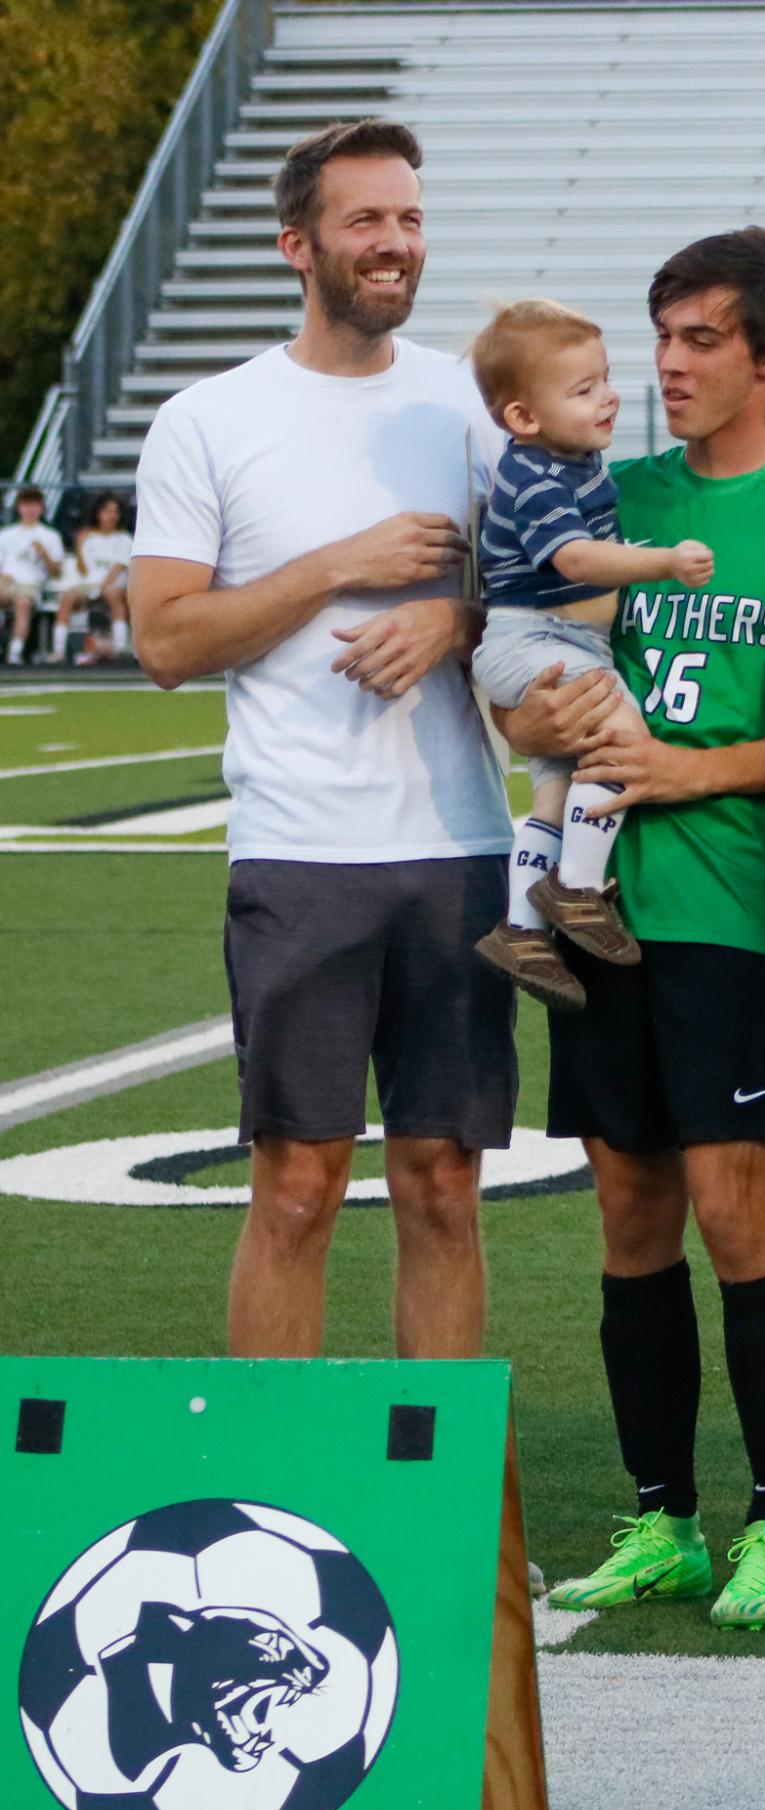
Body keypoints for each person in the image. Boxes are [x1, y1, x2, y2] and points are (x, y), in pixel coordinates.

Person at [499, 229, 765, 1631]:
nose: (669, 363)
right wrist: (531, 716)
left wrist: (688, 767)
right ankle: (662, 1513)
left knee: (737, 1211)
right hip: (593, 903)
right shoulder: (613, 490)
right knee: (626, 1208)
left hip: (732, 905)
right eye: (661, 335)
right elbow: (525, 656)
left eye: (704, 338)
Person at [129, 118, 514, 1359]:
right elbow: (167, 641)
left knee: (444, 1187)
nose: (395, 243)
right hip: (298, 850)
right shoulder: (208, 418)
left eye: (408, 217)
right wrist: (338, 566)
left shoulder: (474, 400)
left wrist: (457, 617)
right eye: (366, 219)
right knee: (296, 1190)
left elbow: (556, 602)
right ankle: (272, 1515)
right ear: (298, 243)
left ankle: (459, 1534)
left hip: (459, 844)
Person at [464, 297, 714, 1010]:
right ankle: (575, 889)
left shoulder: (572, 454)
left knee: (555, 787)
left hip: (553, 639)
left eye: (605, 379)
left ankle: (519, 930)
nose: (607, 398)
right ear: (521, 417)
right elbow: (573, 559)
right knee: (621, 740)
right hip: (534, 637)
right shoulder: (535, 476)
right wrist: (663, 561)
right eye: (583, 390)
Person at [55, 494, 135, 664]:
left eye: (115, 512)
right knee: (67, 598)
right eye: (107, 511)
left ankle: (120, 648)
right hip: (89, 585)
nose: (111, 516)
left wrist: (102, 588)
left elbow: (118, 568)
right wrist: (78, 544)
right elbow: (83, 571)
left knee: (113, 595)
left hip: (113, 585)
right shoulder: (88, 539)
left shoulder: (125, 539)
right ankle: (58, 650)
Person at [3, 487, 66, 666]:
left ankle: (15, 651)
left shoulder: (50, 536)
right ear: (19, 507)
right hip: (6, 581)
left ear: (42, 508)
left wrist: (44, 555)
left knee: (22, 603)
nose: (30, 510)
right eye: (25, 505)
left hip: (30, 584)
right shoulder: (6, 535)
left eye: (34, 505)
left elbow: (56, 572)